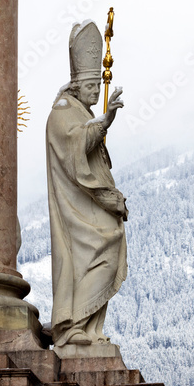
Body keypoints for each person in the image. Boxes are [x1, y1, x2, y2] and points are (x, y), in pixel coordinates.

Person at [46, 20, 128, 349]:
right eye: (93, 86)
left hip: (89, 202)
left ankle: (91, 330)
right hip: (76, 207)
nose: (97, 92)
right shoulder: (63, 112)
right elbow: (74, 147)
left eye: (99, 85)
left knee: (108, 246)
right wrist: (104, 120)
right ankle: (72, 324)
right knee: (100, 253)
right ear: (78, 84)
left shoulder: (80, 111)